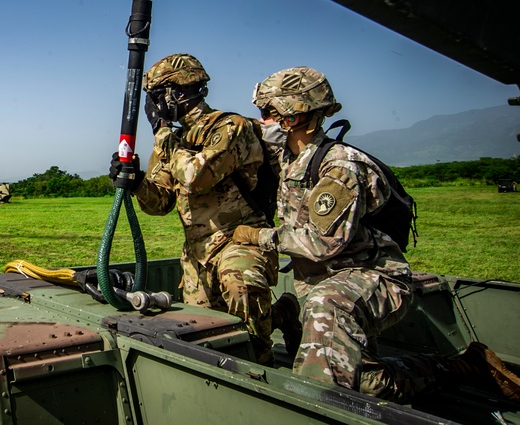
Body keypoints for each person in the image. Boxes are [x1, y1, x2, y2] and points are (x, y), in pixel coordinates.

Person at [232, 66, 520, 402]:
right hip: (331, 281)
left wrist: (257, 237)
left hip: (374, 279)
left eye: (267, 113)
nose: (261, 121)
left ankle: (320, 406)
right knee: (364, 383)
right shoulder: (290, 161)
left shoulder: (339, 166)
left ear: (292, 118)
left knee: (324, 362)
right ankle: (462, 367)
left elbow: (321, 242)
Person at [109, 53, 287, 365]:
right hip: (197, 251)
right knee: (205, 335)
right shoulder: (173, 140)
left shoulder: (230, 127)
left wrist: (162, 134)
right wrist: (137, 181)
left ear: (176, 93)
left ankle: (263, 371)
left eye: (156, 97)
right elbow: (161, 202)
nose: (153, 106)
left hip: (240, 240)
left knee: (242, 298)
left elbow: (195, 177)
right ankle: (283, 313)